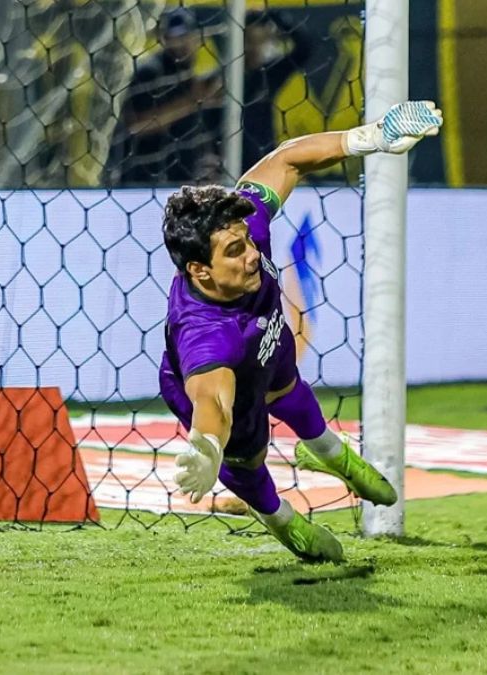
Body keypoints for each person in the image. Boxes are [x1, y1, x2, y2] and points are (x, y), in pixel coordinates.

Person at [159, 101, 444, 562]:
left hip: (268, 340)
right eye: (235, 251)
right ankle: (283, 522)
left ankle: (329, 453)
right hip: (229, 378)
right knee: (248, 460)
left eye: (249, 241)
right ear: (199, 270)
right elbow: (213, 401)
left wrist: (367, 138)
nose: (252, 253)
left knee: (288, 385)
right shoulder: (206, 337)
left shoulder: (242, 223)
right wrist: (208, 446)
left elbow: (287, 158)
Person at [118, 8, 223, 184]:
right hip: (145, 181)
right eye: (175, 37)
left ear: (199, 38)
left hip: (183, 180)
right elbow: (138, 125)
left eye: (187, 36)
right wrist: (193, 101)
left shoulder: (191, 76)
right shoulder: (150, 72)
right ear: (164, 39)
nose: (182, 44)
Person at [240, 11, 312, 173]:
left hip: (263, 158)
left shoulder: (270, 73)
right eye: (250, 42)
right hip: (229, 159)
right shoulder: (225, 77)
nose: (254, 48)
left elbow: (304, 48)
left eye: (260, 42)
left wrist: (278, 18)